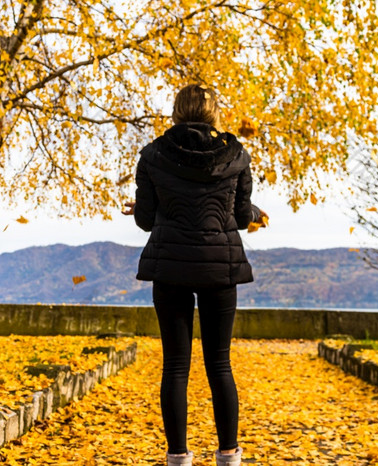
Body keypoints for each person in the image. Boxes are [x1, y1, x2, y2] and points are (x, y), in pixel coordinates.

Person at [122, 84, 266, 466]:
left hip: (170, 266)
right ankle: (229, 456)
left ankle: (178, 457)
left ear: (176, 111)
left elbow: (146, 220)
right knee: (220, 363)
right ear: (214, 113)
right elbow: (238, 216)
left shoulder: (153, 155)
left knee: (175, 366)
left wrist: (137, 207)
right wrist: (254, 213)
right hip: (220, 266)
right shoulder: (236, 155)